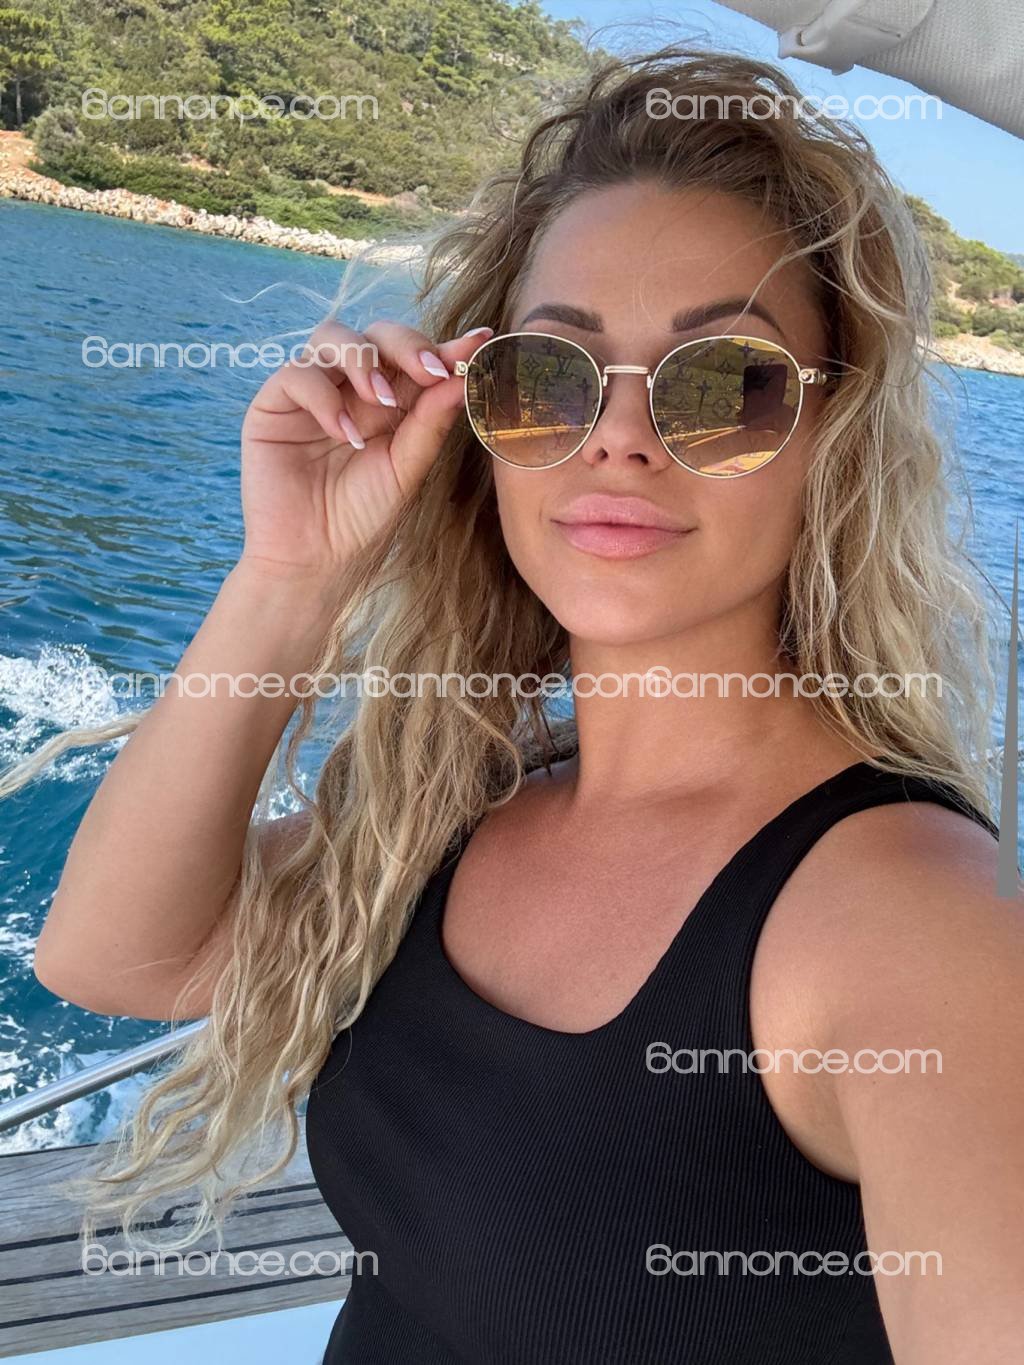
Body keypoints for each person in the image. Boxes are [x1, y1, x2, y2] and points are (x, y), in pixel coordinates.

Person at [15, 45, 1023, 1365]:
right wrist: (291, 577)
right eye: (550, 376)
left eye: (726, 383)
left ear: (834, 436)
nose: (620, 437)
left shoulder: (915, 926)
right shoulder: (467, 803)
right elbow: (115, 961)